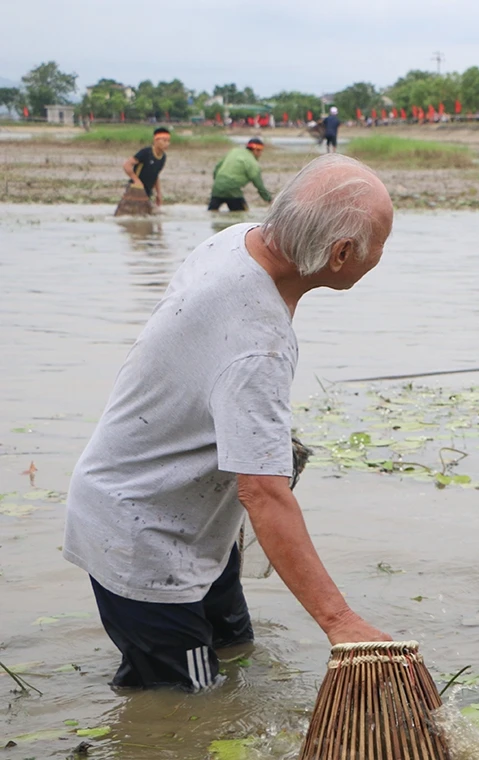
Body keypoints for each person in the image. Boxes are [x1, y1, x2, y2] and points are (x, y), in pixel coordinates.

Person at [64, 154, 395, 691]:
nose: (382, 254)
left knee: (237, 648)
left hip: (196, 523)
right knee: (187, 709)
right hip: (144, 535)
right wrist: (341, 623)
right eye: (381, 242)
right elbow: (263, 494)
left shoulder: (237, 238)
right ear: (341, 254)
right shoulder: (256, 346)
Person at [208, 137, 272, 212]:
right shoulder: (253, 163)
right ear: (256, 150)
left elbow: (217, 167)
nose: (260, 154)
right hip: (233, 191)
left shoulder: (234, 151)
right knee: (243, 214)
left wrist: (218, 182)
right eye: (261, 151)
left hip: (217, 188)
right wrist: (269, 200)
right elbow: (259, 185)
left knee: (212, 212)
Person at [123, 127, 170, 207]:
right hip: (135, 189)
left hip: (148, 191)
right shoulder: (145, 152)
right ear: (156, 140)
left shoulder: (163, 157)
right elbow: (127, 165)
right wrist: (137, 181)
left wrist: (158, 193)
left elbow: (156, 175)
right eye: (164, 141)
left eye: (168, 141)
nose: (167, 144)